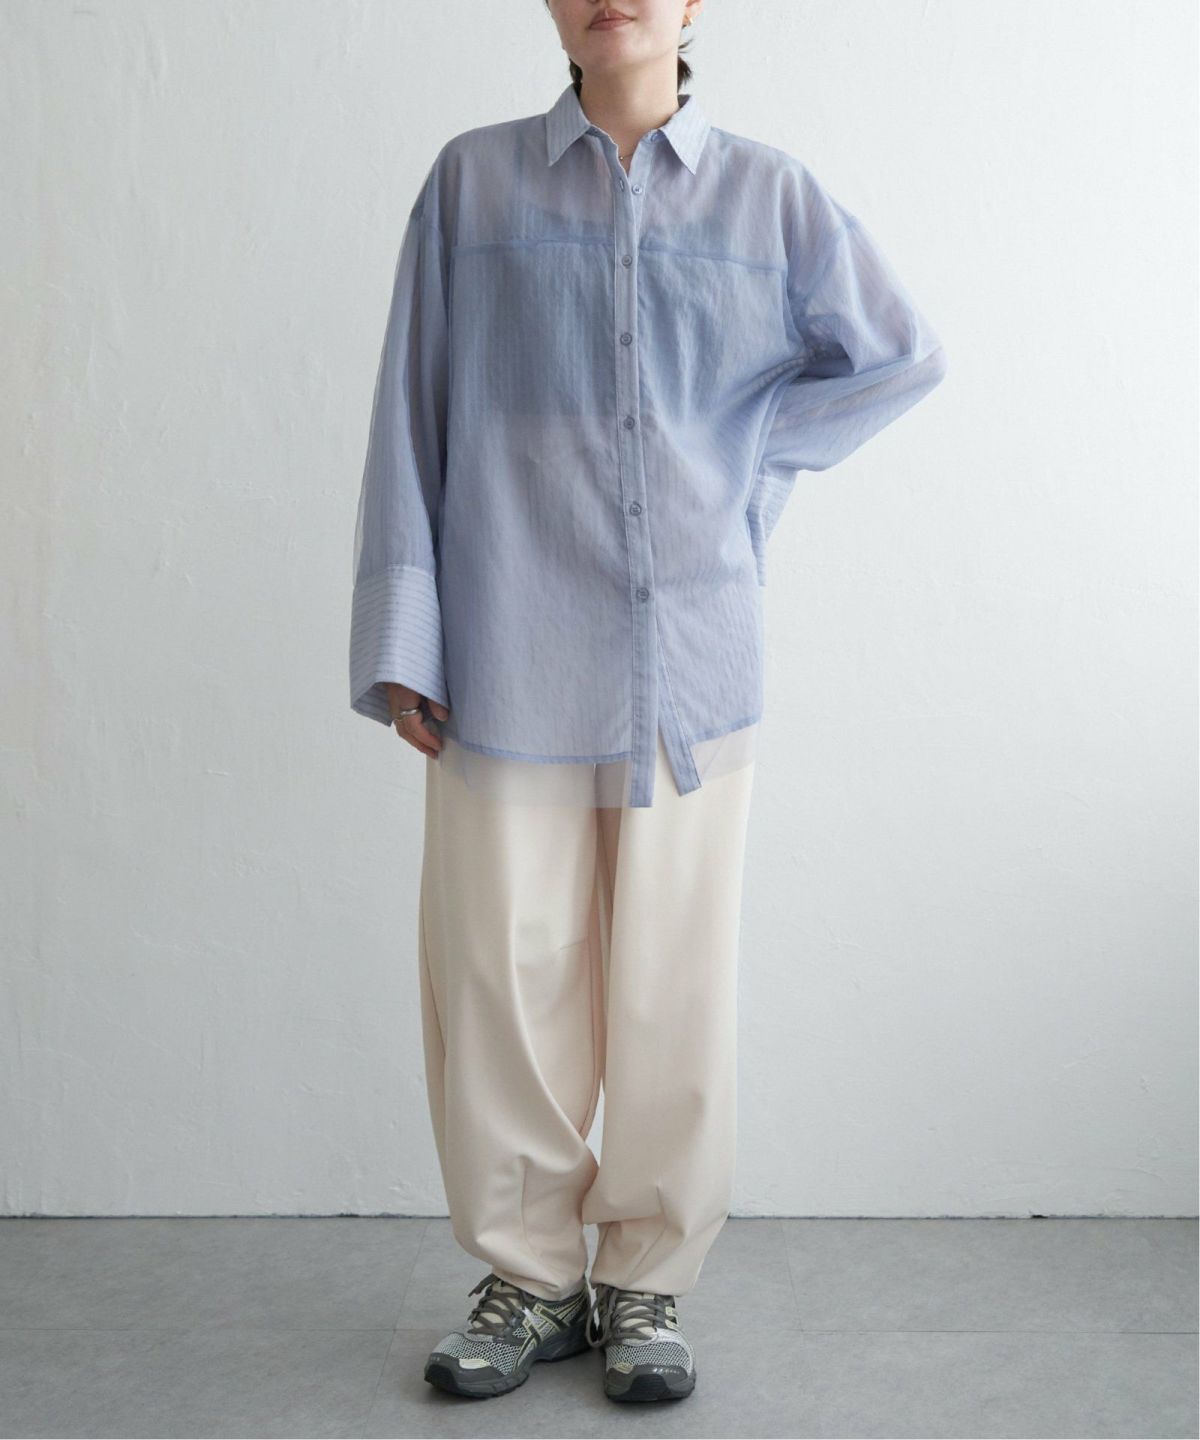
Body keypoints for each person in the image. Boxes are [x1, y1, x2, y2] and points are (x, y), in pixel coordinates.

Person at [348, 0, 947, 1405]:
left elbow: (899, 353)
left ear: (694, 7)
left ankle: (646, 1283)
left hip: (691, 656)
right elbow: (410, 411)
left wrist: (743, 463)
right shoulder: (471, 185)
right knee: (506, 973)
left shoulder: (772, 198)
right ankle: (531, 1276)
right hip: (504, 639)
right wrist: (403, 635)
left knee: (673, 982)